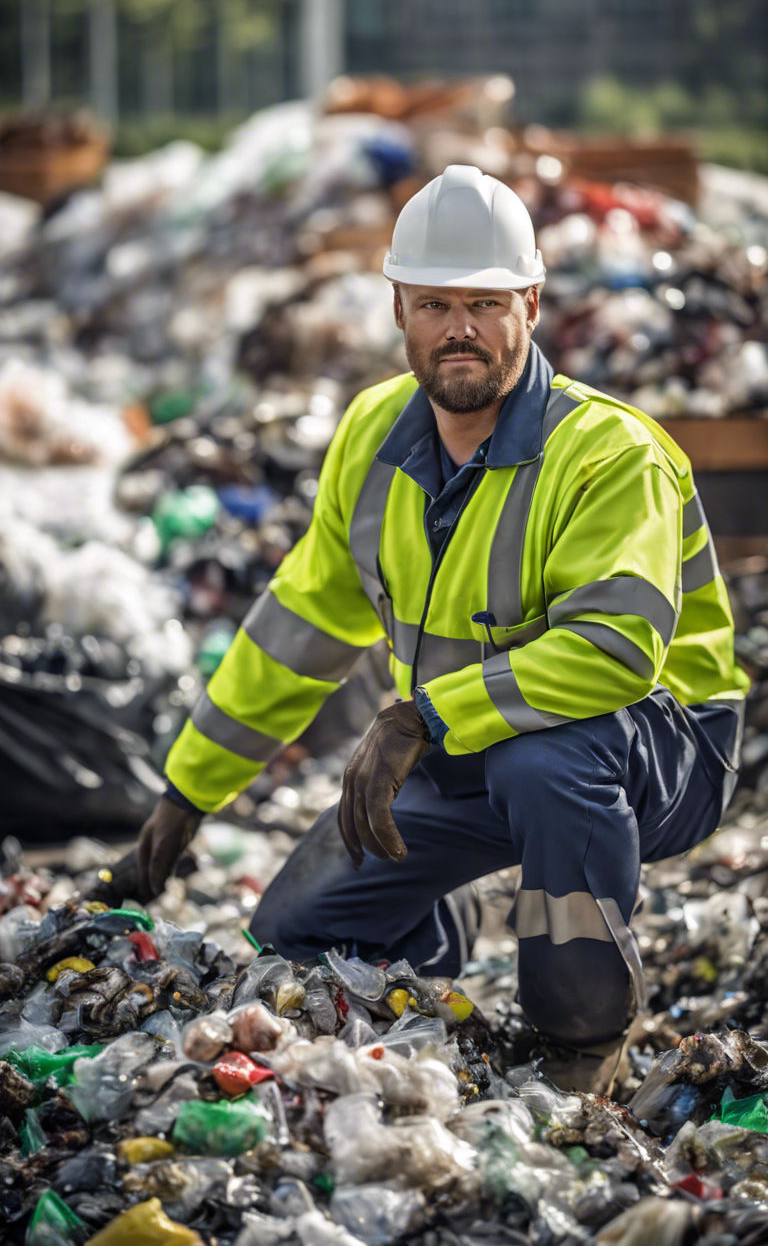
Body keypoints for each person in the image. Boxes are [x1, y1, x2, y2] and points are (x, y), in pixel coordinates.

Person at [134, 165, 748, 1094]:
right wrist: (189, 789)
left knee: (545, 763)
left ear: (531, 304)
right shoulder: (375, 434)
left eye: (483, 303)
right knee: (297, 932)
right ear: (397, 310)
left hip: (660, 750)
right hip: (463, 738)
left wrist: (420, 717)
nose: (457, 328)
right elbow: (301, 624)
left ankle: (581, 1040)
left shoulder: (609, 455)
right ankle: (443, 932)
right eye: (432, 304)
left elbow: (615, 650)